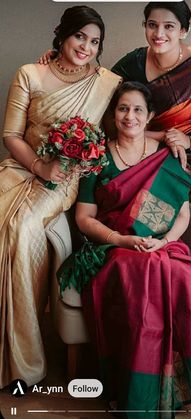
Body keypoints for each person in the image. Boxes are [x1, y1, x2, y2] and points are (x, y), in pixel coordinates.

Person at [58, 82, 191, 418]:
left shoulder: (164, 158)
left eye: (138, 109)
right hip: (114, 248)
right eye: (123, 108)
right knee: (144, 272)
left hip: (162, 244)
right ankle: (132, 391)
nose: (130, 116)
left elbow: (182, 212)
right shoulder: (97, 161)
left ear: (150, 116)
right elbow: (85, 219)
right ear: (113, 114)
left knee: (187, 276)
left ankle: (171, 388)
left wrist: (166, 241)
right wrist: (122, 240)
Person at [0, 5, 121, 389]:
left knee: (22, 227)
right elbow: (11, 136)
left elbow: (134, 114)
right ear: (62, 35)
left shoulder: (106, 82)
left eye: (94, 41)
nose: (86, 47)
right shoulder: (30, 74)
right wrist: (38, 166)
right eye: (79, 36)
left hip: (63, 181)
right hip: (24, 168)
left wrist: (172, 137)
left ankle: (24, 362)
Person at [110, 1, 191, 366]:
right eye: (152, 25)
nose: (159, 34)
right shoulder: (132, 63)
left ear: (184, 31)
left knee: (186, 234)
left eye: (169, 26)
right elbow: (106, 101)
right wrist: (56, 58)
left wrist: (189, 141)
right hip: (141, 157)